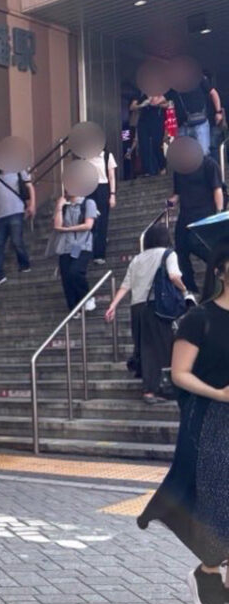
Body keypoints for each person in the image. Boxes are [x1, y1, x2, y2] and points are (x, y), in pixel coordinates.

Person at [137, 245, 229, 604]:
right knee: (215, 496)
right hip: (209, 420)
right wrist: (220, 393)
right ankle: (208, 572)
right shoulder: (199, 318)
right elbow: (180, 374)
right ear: (220, 270)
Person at [104, 224, 186, 404]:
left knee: (145, 346)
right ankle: (154, 390)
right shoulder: (168, 254)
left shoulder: (137, 259)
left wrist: (113, 305)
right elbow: (174, 276)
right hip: (156, 306)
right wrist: (184, 290)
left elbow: (126, 284)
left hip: (137, 308)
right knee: (161, 347)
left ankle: (150, 384)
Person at [170, 151, 225, 294]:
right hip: (185, 216)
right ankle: (189, 287)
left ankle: (221, 265)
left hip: (205, 215)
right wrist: (171, 202)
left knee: (197, 243)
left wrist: (219, 213)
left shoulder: (208, 164)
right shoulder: (180, 170)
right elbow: (177, 193)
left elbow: (217, 189)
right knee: (180, 249)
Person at [0, 166, 36, 288]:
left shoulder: (19, 172)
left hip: (16, 212)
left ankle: (24, 264)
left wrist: (32, 205)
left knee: (16, 241)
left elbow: (30, 187)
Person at [53, 191, 99, 312]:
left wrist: (67, 229)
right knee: (66, 278)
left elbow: (88, 225)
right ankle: (73, 308)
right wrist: (59, 207)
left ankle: (87, 297)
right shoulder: (64, 206)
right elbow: (57, 226)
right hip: (65, 246)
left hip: (81, 244)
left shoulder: (88, 203)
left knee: (75, 271)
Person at [167, 74, 223, 155]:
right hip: (183, 126)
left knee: (204, 153)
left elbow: (213, 93)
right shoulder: (173, 84)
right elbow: (163, 99)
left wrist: (218, 112)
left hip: (200, 123)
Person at [84, 147, 118, 265]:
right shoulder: (85, 155)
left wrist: (112, 194)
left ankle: (99, 254)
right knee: (90, 221)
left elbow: (112, 177)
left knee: (102, 221)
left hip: (102, 188)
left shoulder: (107, 155)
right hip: (88, 189)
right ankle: (91, 250)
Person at [131, 94, 168, 177]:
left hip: (157, 119)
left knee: (157, 143)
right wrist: (142, 105)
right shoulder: (141, 93)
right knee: (144, 145)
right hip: (143, 121)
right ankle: (146, 171)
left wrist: (156, 103)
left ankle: (162, 167)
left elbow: (168, 104)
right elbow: (132, 107)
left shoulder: (160, 92)